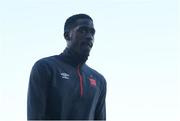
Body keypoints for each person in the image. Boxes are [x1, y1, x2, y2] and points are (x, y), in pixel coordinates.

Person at [27, 13, 107, 120]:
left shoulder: (99, 80)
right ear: (67, 35)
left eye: (92, 32)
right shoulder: (45, 68)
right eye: (83, 30)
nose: (89, 36)